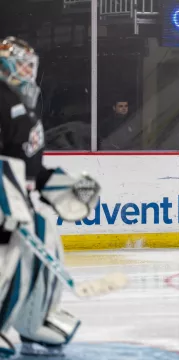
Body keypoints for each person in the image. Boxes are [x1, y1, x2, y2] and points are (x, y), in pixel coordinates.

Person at [0, 37, 100, 357]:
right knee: (8, 268)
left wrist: (60, 187)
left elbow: (31, 168)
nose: (29, 70)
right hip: (5, 205)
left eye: (32, 64)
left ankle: (35, 320)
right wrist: (8, 203)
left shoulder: (21, 105)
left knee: (44, 244)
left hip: (19, 202)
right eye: (23, 64)